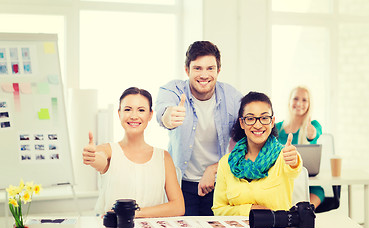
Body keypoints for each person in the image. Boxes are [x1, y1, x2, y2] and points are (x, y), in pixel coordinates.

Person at [155, 41, 298, 216]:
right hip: (182, 183)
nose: (204, 74)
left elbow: (252, 129)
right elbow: (163, 110)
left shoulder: (232, 98)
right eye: (197, 68)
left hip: (218, 182)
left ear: (218, 71)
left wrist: (214, 168)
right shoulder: (174, 90)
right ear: (187, 70)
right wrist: (169, 116)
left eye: (210, 68)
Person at [82, 87, 185, 218]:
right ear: (119, 114)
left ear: (150, 115)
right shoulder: (108, 150)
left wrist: (134, 213)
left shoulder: (163, 157)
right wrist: (92, 157)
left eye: (141, 110)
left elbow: (178, 206)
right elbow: (99, 159)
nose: (134, 116)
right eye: (127, 109)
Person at [212, 91, 302, 216]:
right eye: (250, 119)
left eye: (264, 118)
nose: (258, 125)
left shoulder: (283, 156)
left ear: (272, 122)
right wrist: (249, 210)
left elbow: (294, 168)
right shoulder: (226, 163)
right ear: (242, 123)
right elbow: (218, 210)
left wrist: (294, 160)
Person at [276, 85, 323, 208]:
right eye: (296, 99)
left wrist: (311, 134)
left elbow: (314, 133)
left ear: (309, 104)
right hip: (282, 179)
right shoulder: (276, 128)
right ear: (289, 101)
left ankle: (304, 212)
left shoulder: (313, 125)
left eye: (304, 100)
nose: (299, 103)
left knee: (318, 191)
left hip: (307, 181)